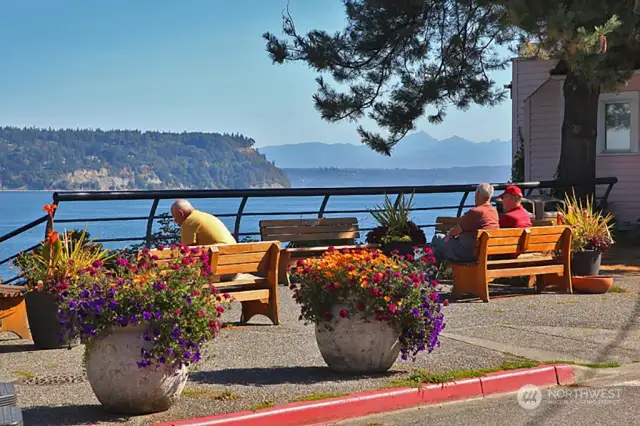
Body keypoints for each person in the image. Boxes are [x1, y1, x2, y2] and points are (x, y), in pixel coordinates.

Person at [431, 182, 499, 263]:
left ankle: (427, 273)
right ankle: (433, 273)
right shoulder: (494, 212)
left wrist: (449, 235)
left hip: (466, 253)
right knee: (437, 250)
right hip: (484, 253)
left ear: (477, 194)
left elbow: (456, 230)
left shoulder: (475, 212)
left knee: (437, 238)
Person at [170, 199, 237, 246]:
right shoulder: (207, 216)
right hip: (235, 256)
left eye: (175, 217)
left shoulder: (188, 222)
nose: (175, 221)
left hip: (218, 260)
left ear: (181, 213)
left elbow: (186, 252)